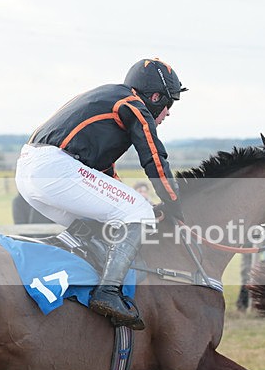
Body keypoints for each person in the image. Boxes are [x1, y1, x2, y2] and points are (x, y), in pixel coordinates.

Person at [15, 58, 187, 330]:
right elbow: (153, 157)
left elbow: (105, 177)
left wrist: (140, 207)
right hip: (55, 168)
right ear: (155, 97)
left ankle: (74, 284)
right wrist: (175, 200)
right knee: (138, 211)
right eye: (169, 103)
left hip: (29, 172)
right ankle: (107, 292)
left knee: (100, 224)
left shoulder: (108, 100)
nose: (168, 113)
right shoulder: (133, 104)